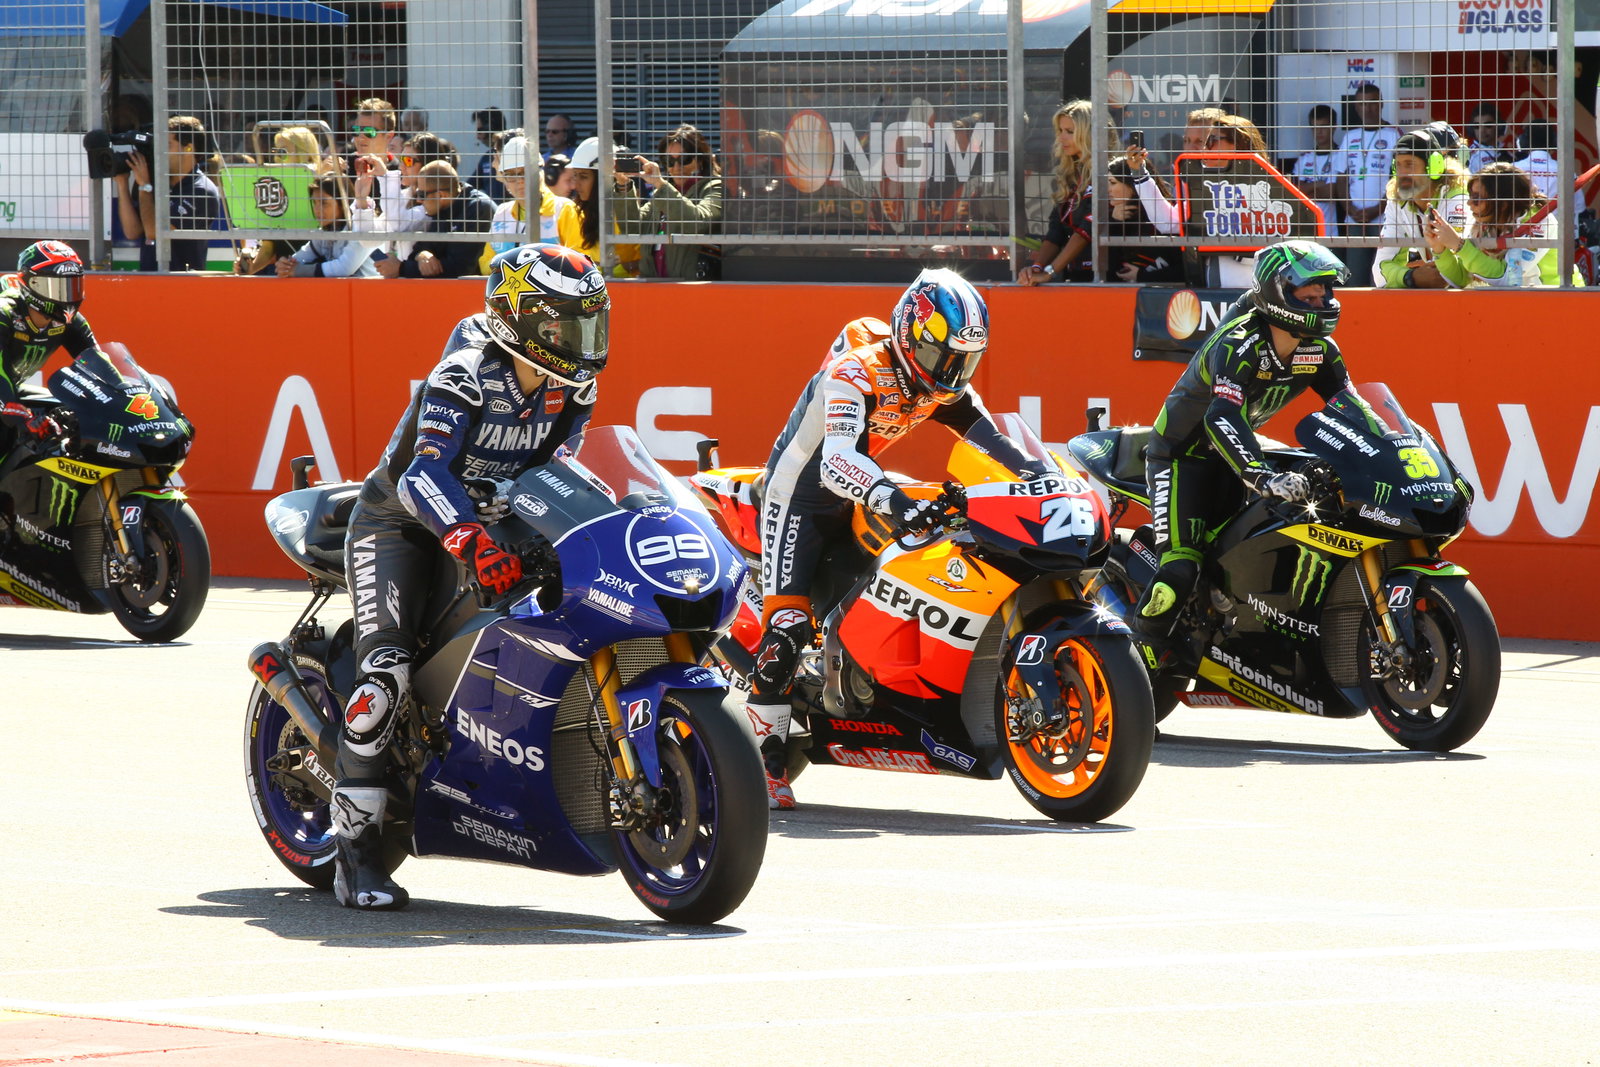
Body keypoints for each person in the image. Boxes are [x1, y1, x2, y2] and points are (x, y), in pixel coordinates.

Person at [331, 243, 610, 909]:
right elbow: (423, 472)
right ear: (524, 322)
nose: (586, 340)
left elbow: (557, 471)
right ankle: (356, 857)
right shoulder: (465, 373)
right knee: (385, 676)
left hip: (495, 522)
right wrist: (465, 536)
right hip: (400, 523)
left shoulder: (576, 386)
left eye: (593, 322)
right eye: (571, 324)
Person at [745, 269, 1046, 809]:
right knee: (789, 623)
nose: (951, 372)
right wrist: (892, 496)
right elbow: (837, 462)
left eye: (964, 361)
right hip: (799, 496)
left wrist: (1041, 475)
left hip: (861, 493)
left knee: (897, 573)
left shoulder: (940, 382)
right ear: (911, 334)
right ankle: (762, 758)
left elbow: (994, 441)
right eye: (943, 357)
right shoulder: (855, 375)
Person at [1130, 240, 1354, 636]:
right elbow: (1221, 417)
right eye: (1310, 295)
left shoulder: (1320, 350)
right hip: (1182, 457)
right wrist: (1261, 476)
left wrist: (1391, 447)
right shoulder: (1239, 342)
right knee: (1180, 570)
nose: (1322, 302)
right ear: (1279, 293)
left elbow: (1352, 409)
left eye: (1325, 293)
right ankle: (1133, 659)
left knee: (1238, 559)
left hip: (1234, 454)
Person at [1127, 115, 1270, 286]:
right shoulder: (1207, 186)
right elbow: (1167, 222)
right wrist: (1139, 173)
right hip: (1218, 283)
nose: (1205, 147)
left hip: (1258, 283)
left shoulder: (1269, 184)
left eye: (1212, 140)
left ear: (1240, 144)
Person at [0, 241, 95, 462]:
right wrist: (20, 415)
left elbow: (97, 363)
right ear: (31, 284)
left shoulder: (70, 322)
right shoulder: (4, 313)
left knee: (58, 411)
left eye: (73, 286)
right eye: (57, 288)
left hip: (11, 389)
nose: (67, 297)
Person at [1426, 162, 1577, 288]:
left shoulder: (1539, 221)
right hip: (1517, 304)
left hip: (1558, 303)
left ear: (1503, 204)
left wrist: (1459, 246)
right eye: (1471, 196)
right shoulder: (1479, 222)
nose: (1469, 203)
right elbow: (1461, 280)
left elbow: (1509, 279)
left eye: (1477, 198)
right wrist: (1440, 249)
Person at [115, 114, 224, 271]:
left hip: (181, 283)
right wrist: (122, 183)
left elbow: (154, 233)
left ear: (189, 148)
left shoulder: (201, 190)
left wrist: (145, 185)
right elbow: (133, 231)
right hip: (149, 279)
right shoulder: (158, 183)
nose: (159, 152)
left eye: (167, 145)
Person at [614, 123, 723, 279]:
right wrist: (623, 186)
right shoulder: (666, 190)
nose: (677, 167)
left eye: (684, 159)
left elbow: (699, 222)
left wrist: (660, 184)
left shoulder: (714, 186)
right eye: (669, 161)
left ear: (700, 160)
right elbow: (632, 226)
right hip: (655, 287)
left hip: (693, 289)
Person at [1373, 127, 1470, 288]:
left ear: (1434, 166)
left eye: (1410, 164)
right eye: (1398, 165)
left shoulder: (1457, 197)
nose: (1402, 173)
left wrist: (1403, 277)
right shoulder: (1396, 200)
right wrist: (1412, 277)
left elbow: (1455, 274)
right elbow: (1379, 272)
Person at [1015, 100, 1097, 284]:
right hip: (1076, 275)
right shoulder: (1071, 174)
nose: (1061, 138)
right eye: (1060, 131)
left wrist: (1050, 272)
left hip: (1108, 276)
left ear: (1089, 134)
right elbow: (1056, 230)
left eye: (1070, 132)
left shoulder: (1110, 171)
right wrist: (1037, 267)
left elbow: (1086, 230)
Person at [374, 161, 495, 279]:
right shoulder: (443, 204)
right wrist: (422, 255)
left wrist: (401, 268)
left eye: (422, 195)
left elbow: (461, 269)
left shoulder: (479, 209)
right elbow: (422, 247)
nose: (418, 201)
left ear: (441, 195)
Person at [1335, 83, 1400, 284]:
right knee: (1355, 277)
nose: (1368, 108)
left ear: (1381, 104)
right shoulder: (1350, 137)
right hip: (1354, 219)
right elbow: (1341, 178)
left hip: (1383, 217)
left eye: (1372, 103)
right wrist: (1350, 208)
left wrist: (1377, 209)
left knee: (1382, 276)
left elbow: (1398, 179)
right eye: (1362, 104)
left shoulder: (1393, 134)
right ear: (1356, 107)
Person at [486, 135, 584, 260]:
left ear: (540, 172)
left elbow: (579, 258)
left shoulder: (564, 209)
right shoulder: (502, 213)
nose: (519, 181)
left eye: (525, 172)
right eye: (511, 175)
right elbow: (486, 260)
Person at [276, 172, 382, 278]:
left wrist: (300, 270)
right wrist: (285, 265)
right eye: (315, 203)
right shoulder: (325, 230)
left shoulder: (362, 226)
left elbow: (344, 268)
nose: (317, 210)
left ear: (342, 203)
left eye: (324, 203)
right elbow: (301, 257)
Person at [566, 137, 642, 276]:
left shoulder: (623, 213)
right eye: (575, 175)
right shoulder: (572, 212)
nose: (576, 184)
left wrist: (623, 266)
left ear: (603, 179)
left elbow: (642, 261)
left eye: (583, 176)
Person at [1292, 104, 1342, 238]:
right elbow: (1295, 192)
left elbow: (1333, 192)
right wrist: (1319, 184)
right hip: (1306, 231)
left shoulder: (1341, 156)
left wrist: (1308, 189)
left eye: (1323, 127)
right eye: (1314, 127)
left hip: (1332, 232)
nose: (1319, 132)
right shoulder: (1304, 159)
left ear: (1334, 127)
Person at [470, 107, 507, 202]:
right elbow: (470, 187)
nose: (477, 136)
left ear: (491, 127)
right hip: (494, 214)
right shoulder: (486, 158)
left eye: (480, 130)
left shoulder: (514, 154)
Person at [1466, 103, 1512, 173]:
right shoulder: (1471, 156)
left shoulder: (1507, 154)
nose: (1482, 131)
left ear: (1499, 127)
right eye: (1477, 127)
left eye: (1487, 125)